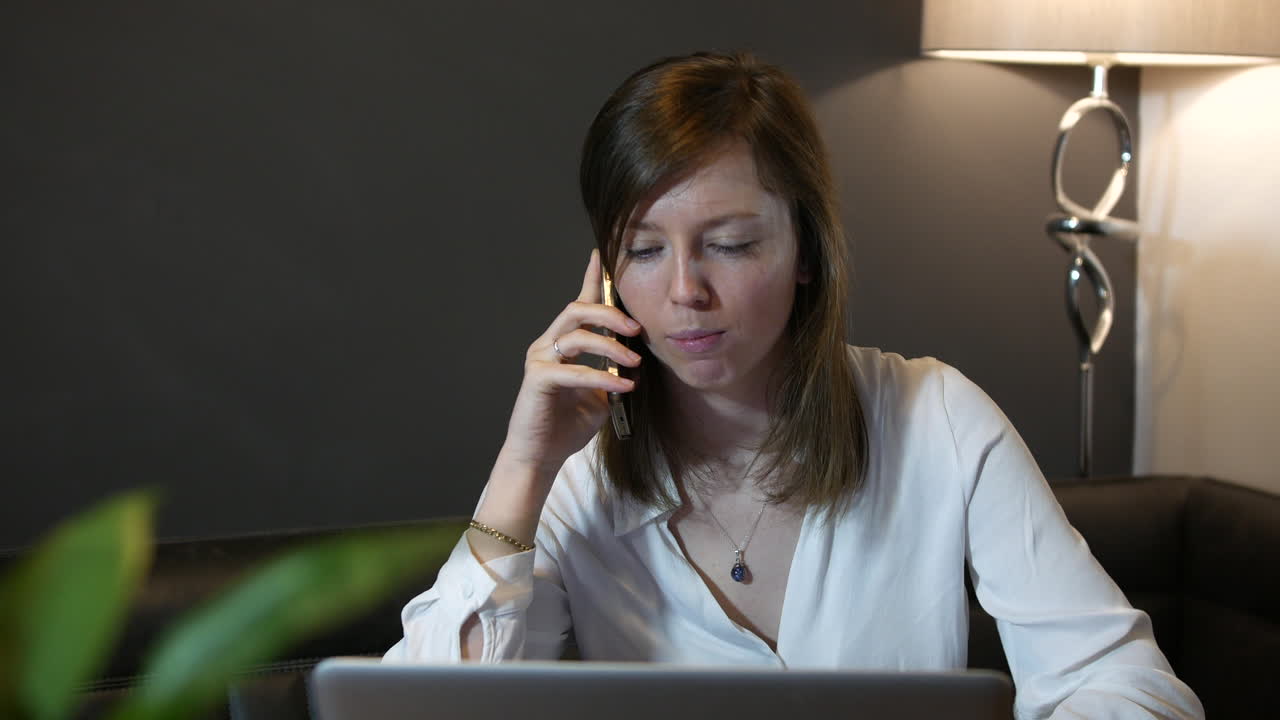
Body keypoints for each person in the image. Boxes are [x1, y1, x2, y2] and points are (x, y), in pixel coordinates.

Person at [384, 52, 1203, 719]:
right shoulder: (579, 480)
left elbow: (1129, 685)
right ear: (603, 274)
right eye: (643, 251)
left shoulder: (938, 421)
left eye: (731, 244)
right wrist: (523, 466)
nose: (684, 293)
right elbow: (421, 709)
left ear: (805, 251)